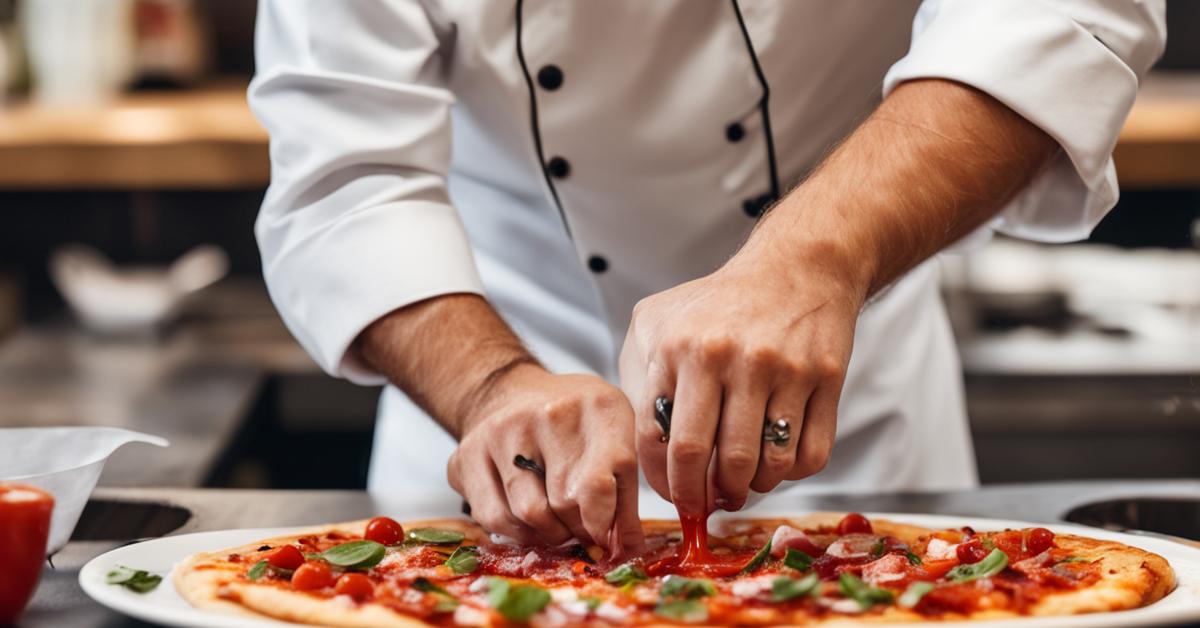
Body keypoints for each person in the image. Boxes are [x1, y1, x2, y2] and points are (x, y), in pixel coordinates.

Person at [250, 1, 1165, 556]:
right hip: (500, 444)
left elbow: (1052, 21)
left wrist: (815, 258)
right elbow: (345, 174)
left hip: (856, 426)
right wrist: (491, 386)